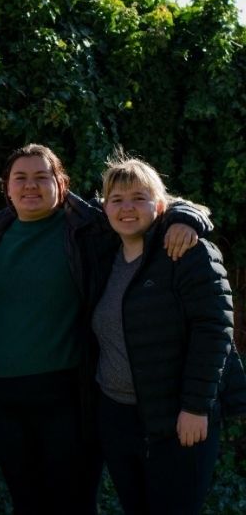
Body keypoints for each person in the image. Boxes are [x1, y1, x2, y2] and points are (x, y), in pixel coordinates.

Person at [0, 144, 212, 515]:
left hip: (68, 394)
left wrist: (187, 218)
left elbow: (150, 206)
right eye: (20, 178)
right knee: (27, 501)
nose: (31, 186)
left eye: (42, 176)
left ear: (62, 184)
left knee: (73, 502)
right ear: (6, 186)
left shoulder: (90, 229)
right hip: (2, 399)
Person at [93, 157, 246, 515]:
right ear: (105, 208)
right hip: (118, 418)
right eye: (116, 199)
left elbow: (214, 330)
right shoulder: (102, 256)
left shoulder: (188, 253)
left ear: (160, 205)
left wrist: (195, 406)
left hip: (178, 419)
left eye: (139, 197)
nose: (126, 207)